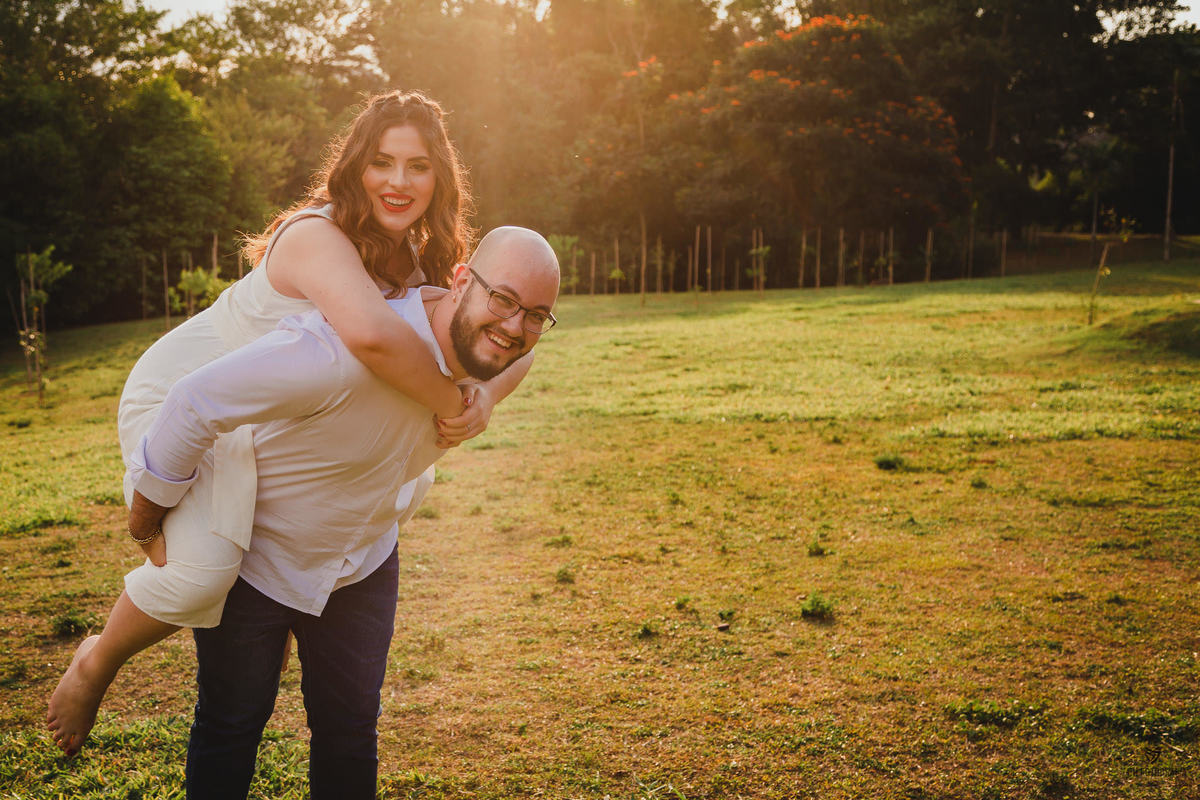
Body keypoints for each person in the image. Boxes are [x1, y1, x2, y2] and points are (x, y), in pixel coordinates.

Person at [46, 90, 528, 756]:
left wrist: (489, 397)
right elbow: (375, 339)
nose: (398, 181)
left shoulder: (412, 262)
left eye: (418, 167)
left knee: (405, 489)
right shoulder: (316, 237)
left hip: (263, 422)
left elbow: (510, 334)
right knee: (205, 567)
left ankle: (273, 621)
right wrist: (457, 405)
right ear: (356, 166)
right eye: (382, 162)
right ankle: (95, 662)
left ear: (439, 179)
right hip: (181, 395)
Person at [161, 227, 555, 798]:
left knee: (349, 733)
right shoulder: (344, 342)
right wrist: (148, 518)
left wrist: (488, 398)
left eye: (537, 314)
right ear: (462, 280)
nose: (516, 325)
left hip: (361, 564)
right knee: (231, 726)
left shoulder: (487, 341)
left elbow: (528, 352)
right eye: (505, 300)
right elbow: (195, 402)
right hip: (258, 556)